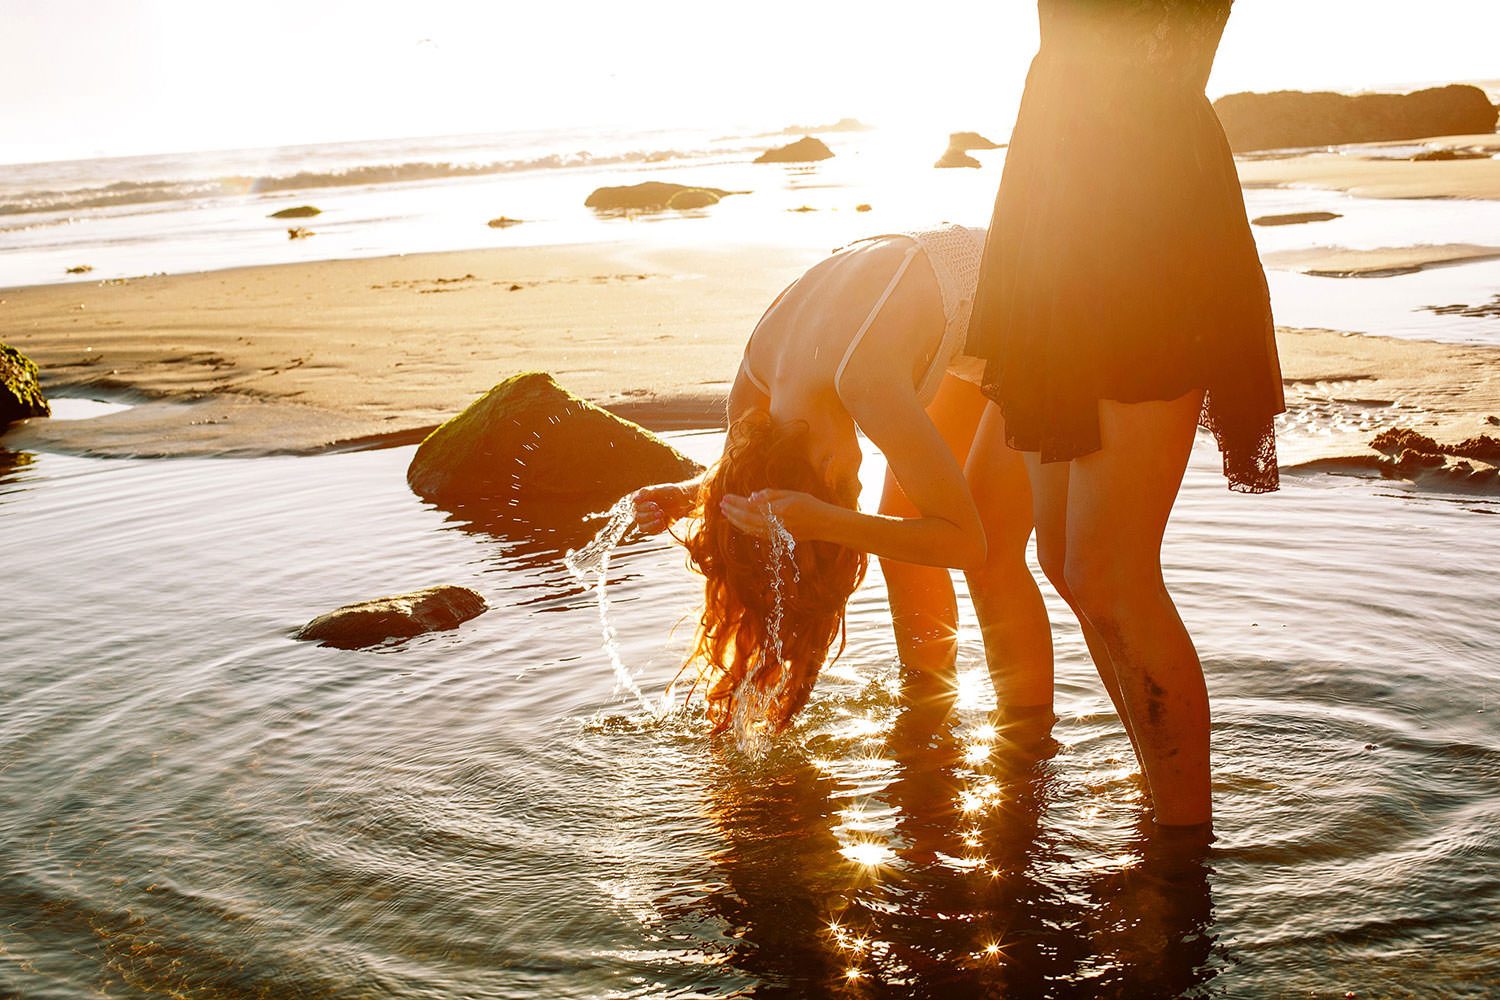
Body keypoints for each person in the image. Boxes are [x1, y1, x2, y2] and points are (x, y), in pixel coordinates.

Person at [965, 0, 1285, 827]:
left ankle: (1183, 848)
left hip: (1142, 206)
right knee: (1067, 564)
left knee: (1113, 571)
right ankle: (1160, 796)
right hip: (1057, 202)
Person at [632, 224, 1053, 737]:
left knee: (994, 550)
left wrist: (828, 521)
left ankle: (1028, 746)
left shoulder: (866, 383)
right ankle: (927, 711)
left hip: (1040, 310)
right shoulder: (760, 373)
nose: (856, 478)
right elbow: (739, 477)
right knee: (901, 542)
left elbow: (967, 544)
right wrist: (691, 495)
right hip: (964, 326)